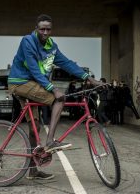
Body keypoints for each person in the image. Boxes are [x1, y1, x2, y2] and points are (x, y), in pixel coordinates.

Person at [8, 14, 102, 180]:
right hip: (21, 83)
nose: (45, 32)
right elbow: (34, 69)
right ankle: (51, 140)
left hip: (32, 85)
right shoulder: (27, 41)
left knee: (34, 129)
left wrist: (88, 78)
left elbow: (67, 63)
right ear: (36, 29)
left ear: (51, 30)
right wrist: (52, 88)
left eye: (48, 29)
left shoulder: (52, 46)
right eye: (42, 29)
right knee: (59, 98)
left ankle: (33, 171)